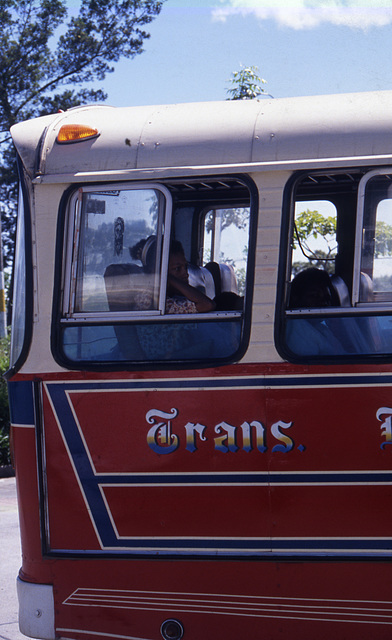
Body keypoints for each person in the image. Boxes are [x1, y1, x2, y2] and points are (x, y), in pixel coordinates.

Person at [286, 268, 345, 355]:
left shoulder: (319, 327)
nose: (323, 302)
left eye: (327, 298)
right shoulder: (298, 330)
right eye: (314, 296)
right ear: (296, 298)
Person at [166, 240, 216, 313]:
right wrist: (168, 278)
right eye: (177, 268)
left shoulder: (179, 298)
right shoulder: (163, 304)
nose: (186, 274)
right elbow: (207, 305)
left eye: (186, 267)